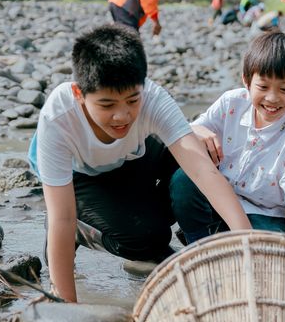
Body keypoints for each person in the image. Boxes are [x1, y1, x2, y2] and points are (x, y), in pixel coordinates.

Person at [28, 24, 251, 302]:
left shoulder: (152, 97)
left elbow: (204, 173)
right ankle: (85, 231)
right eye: (107, 105)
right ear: (78, 93)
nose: (122, 116)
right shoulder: (59, 119)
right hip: (82, 176)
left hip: (131, 157)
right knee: (147, 238)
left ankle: (200, 242)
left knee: (205, 153)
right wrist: (67, 307)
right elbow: (63, 217)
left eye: (132, 100)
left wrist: (248, 243)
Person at [170, 31, 285, 243]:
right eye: (263, 87)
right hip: (221, 201)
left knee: (269, 247)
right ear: (246, 81)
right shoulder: (232, 102)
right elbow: (188, 131)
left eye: (284, 89)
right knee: (184, 179)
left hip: (265, 215)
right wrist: (198, 130)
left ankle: (224, 239)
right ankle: (197, 245)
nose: (272, 98)